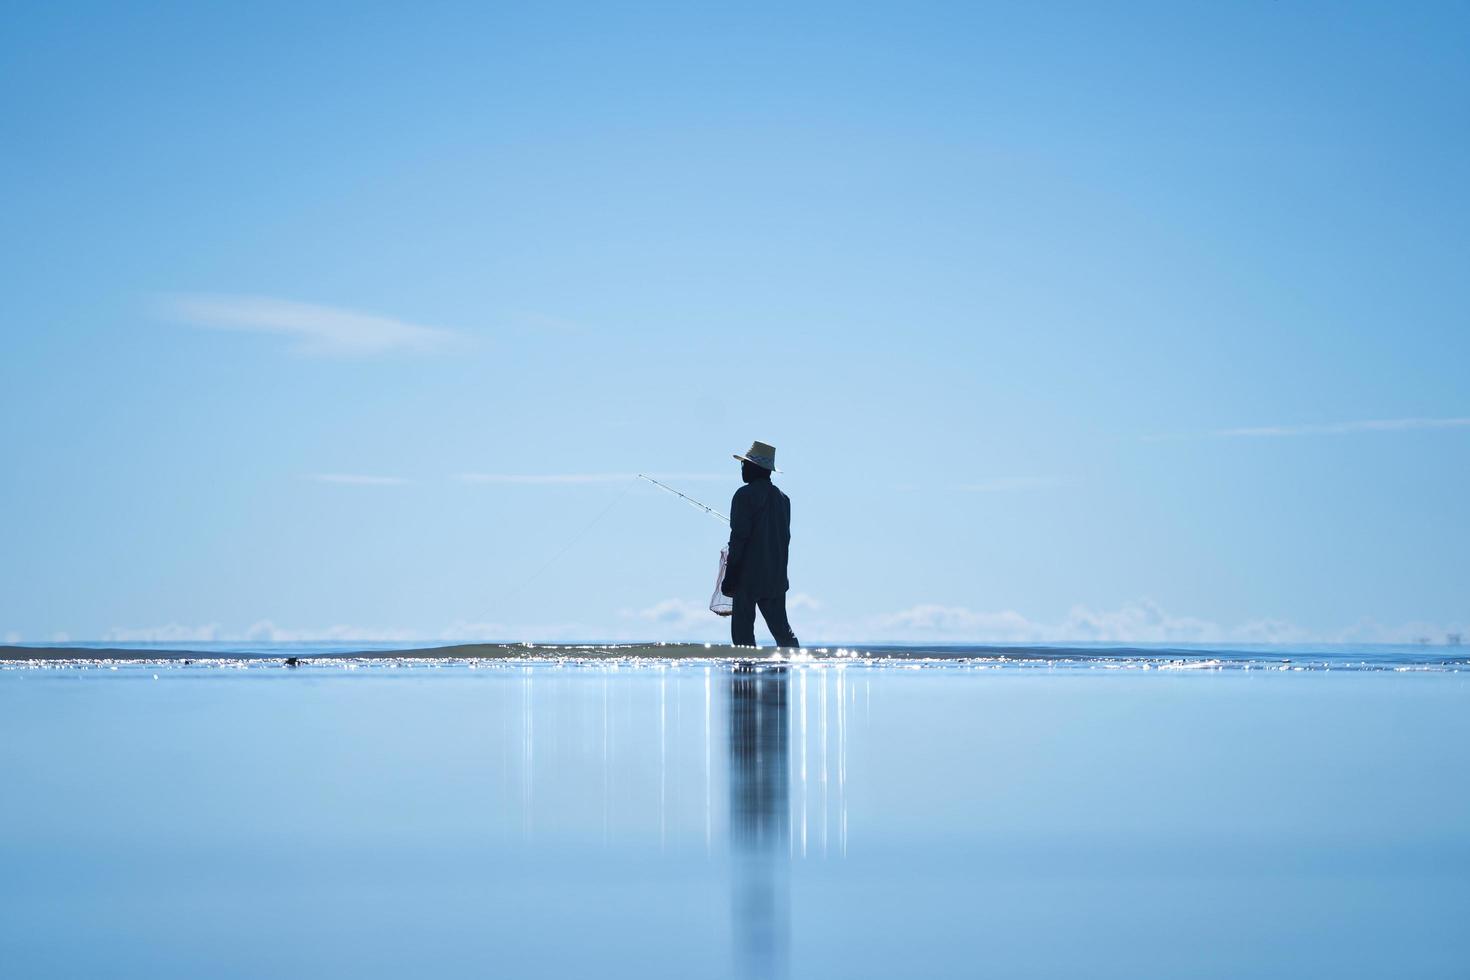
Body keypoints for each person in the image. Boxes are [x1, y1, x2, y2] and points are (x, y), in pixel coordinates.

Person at [722, 441, 800, 648]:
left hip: (747, 576)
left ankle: (744, 677)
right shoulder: (784, 500)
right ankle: (789, 672)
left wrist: (730, 576)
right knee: (784, 633)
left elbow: (739, 538)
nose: (743, 470)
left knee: (742, 636)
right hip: (776, 577)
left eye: (745, 465)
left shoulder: (743, 495)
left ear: (756, 469)